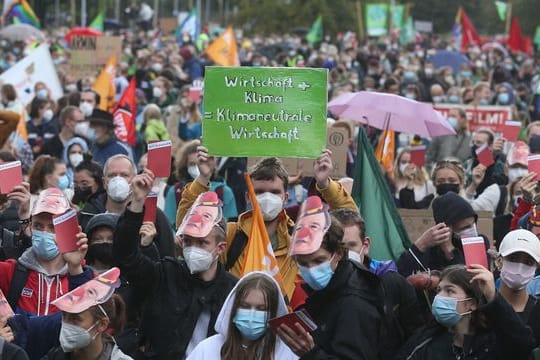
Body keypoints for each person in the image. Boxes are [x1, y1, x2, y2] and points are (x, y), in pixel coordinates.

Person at [177, 147, 358, 299]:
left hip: (284, 331)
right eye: (259, 192)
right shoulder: (231, 234)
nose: (267, 197)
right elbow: (187, 229)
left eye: (274, 192)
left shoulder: (299, 237)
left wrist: (325, 183)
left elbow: (350, 222)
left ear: (286, 198)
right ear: (248, 196)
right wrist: (202, 179)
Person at [113, 172, 237, 359]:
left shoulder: (233, 291)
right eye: (188, 241)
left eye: (202, 242)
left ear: (220, 248)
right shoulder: (164, 274)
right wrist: (137, 203)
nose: (193, 248)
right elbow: (126, 257)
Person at [277, 197, 383, 359]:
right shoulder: (326, 291)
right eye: (303, 263)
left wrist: (311, 353)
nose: (311, 269)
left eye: (319, 260)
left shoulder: (354, 303)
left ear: (339, 254)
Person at [331, 208, 424, 355]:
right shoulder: (321, 288)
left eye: (351, 246)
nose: (345, 254)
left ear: (365, 245)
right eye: (338, 248)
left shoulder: (393, 283)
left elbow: (416, 338)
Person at [395, 264, 536, 359]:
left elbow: (523, 344)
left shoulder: (493, 343)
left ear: (471, 303)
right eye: (439, 290)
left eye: (449, 291)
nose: (439, 297)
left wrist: (493, 298)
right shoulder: (425, 341)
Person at [0, 187, 92, 316]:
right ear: (30, 227)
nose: (45, 233)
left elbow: (86, 320)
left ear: (70, 231)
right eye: (38, 226)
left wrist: (75, 267)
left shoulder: (86, 276)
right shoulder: (9, 272)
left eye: (53, 228)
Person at [78, 154, 174, 258]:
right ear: (104, 182)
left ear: (134, 180)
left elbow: (167, 258)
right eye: (112, 175)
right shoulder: (86, 215)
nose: (118, 180)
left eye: (124, 175)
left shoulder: (154, 216)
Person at [188, 272, 297, 360]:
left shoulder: (287, 353)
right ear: (233, 308)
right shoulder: (208, 349)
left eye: (262, 309)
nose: (252, 314)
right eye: (245, 306)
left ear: (274, 313)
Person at [397, 191, 488, 277]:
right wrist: (420, 245)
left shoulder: (478, 243)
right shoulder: (431, 251)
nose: (472, 230)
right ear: (446, 229)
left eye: (473, 224)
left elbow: (471, 279)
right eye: (465, 228)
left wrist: (450, 251)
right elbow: (401, 272)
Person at [497, 229, 540, 345]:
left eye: (528, 262)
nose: (520, 267)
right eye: (513, 259)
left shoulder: (537, 313)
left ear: (535, 268)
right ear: (499, 261)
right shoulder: (484, 307)